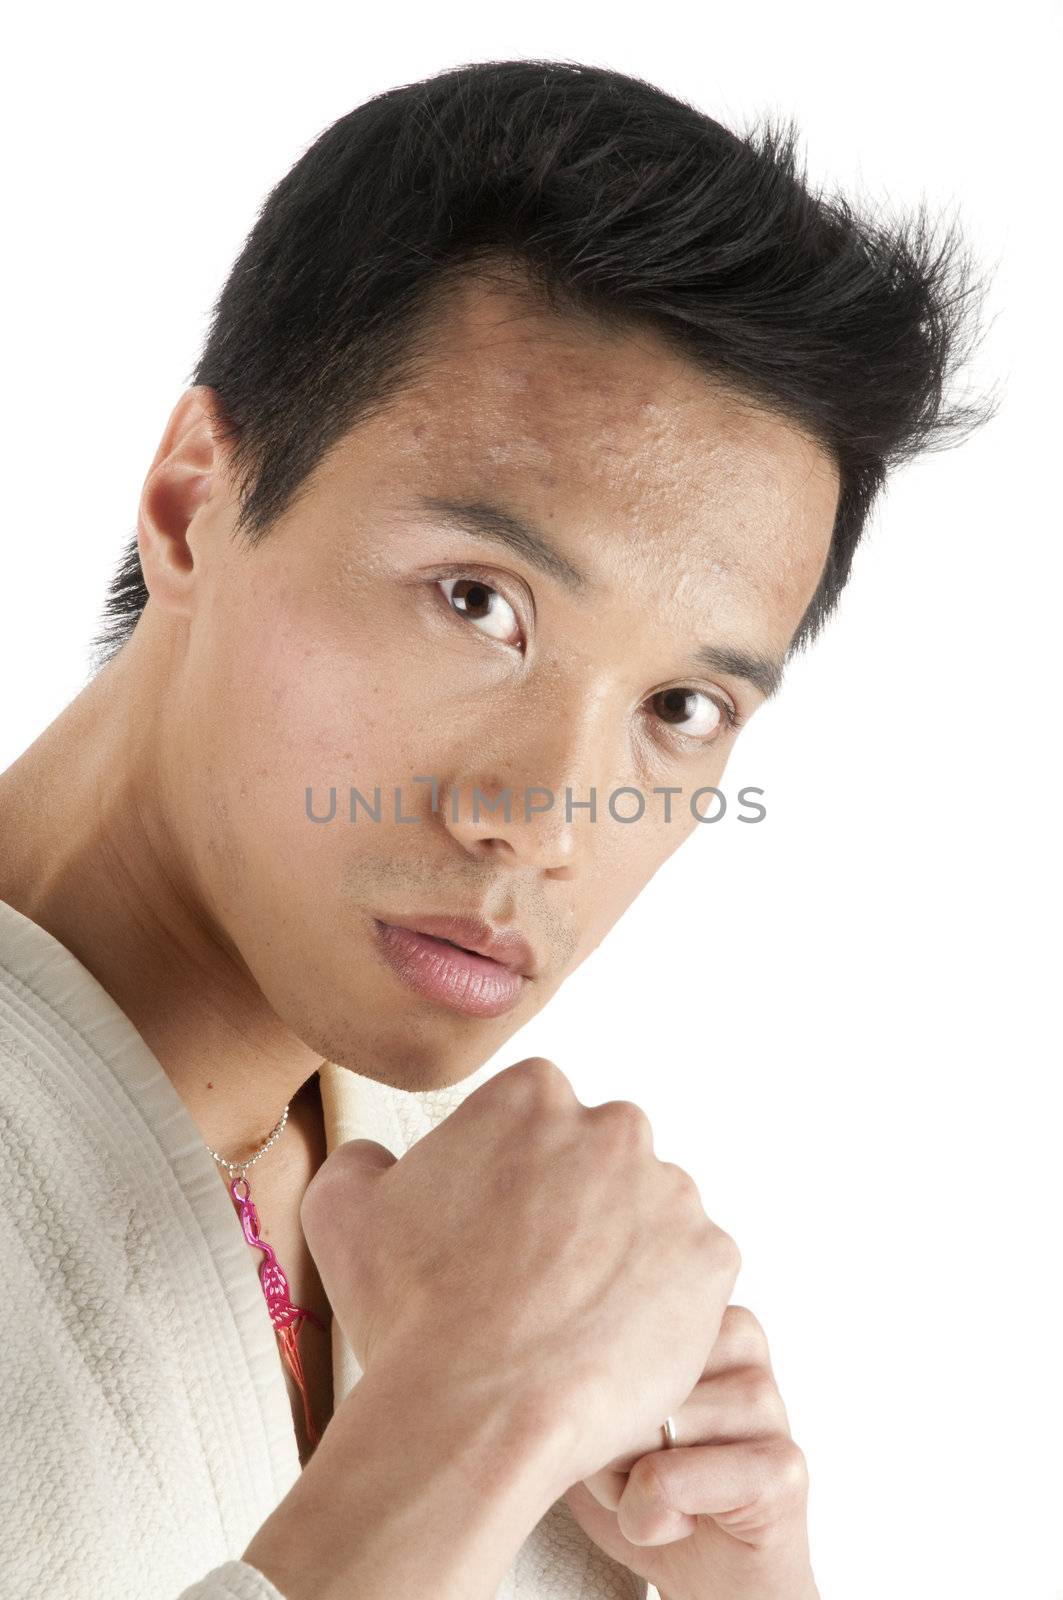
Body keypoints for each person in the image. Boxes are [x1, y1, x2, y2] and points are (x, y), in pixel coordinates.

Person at [0, 57, 994, 1600]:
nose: (545, 822)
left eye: (680, 708)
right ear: (197, 498)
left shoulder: (487, 1231)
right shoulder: (501, 1340)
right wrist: (464, 1425)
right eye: (481, 602)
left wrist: (739, 1580)